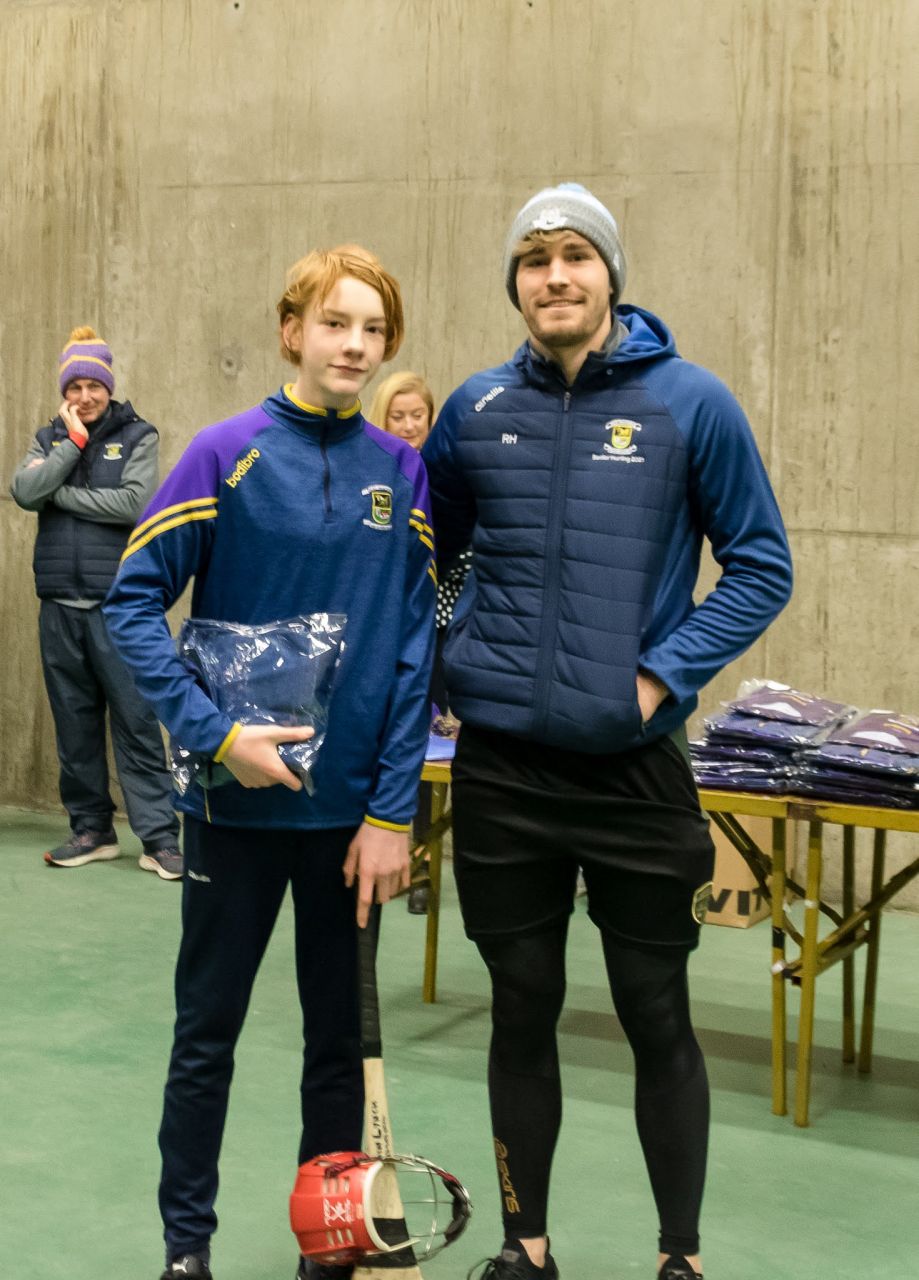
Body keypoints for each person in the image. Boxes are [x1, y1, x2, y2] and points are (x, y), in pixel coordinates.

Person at [421, 184, 793, 1280]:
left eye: (574, 254)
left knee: (654, 1010)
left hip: (632, 769)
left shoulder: (692, 404)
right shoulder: (475, 408)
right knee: (520, 1005)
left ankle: (678, 1254)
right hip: (503, 774)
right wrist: (456, 654)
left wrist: (660, 674)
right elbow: (432, 558)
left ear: (609, 272)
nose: (553, 276)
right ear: (515, 283)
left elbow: (761, 561)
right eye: (532, 259)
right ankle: (524, 1246)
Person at [102, 245, 436, 1280]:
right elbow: (129, 604)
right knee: (207, 1036)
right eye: (335, 322)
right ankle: (185, 1247)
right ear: (292, 329)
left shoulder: (402, 467)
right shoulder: (222, 453)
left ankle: (329, 1238)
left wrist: (392, 813)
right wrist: (215, 735)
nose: (354, 345)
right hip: (233, 821)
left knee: (336, 1048)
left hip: (350, 831)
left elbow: (416, 641)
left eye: (372, 329)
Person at [10, 327, 182, 879]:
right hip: (59, 605)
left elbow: (133, 503)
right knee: (74, 725)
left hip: (119, 606)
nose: (86, 397)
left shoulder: (137, 435)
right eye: (76, 387)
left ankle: (159, 837)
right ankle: (92, 829)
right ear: (66, 391)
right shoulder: (49, 438)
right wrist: (73, 444)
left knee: (136, 721)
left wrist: (55, 492)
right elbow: (22, 490)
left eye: (95, 386)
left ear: (110, 387)